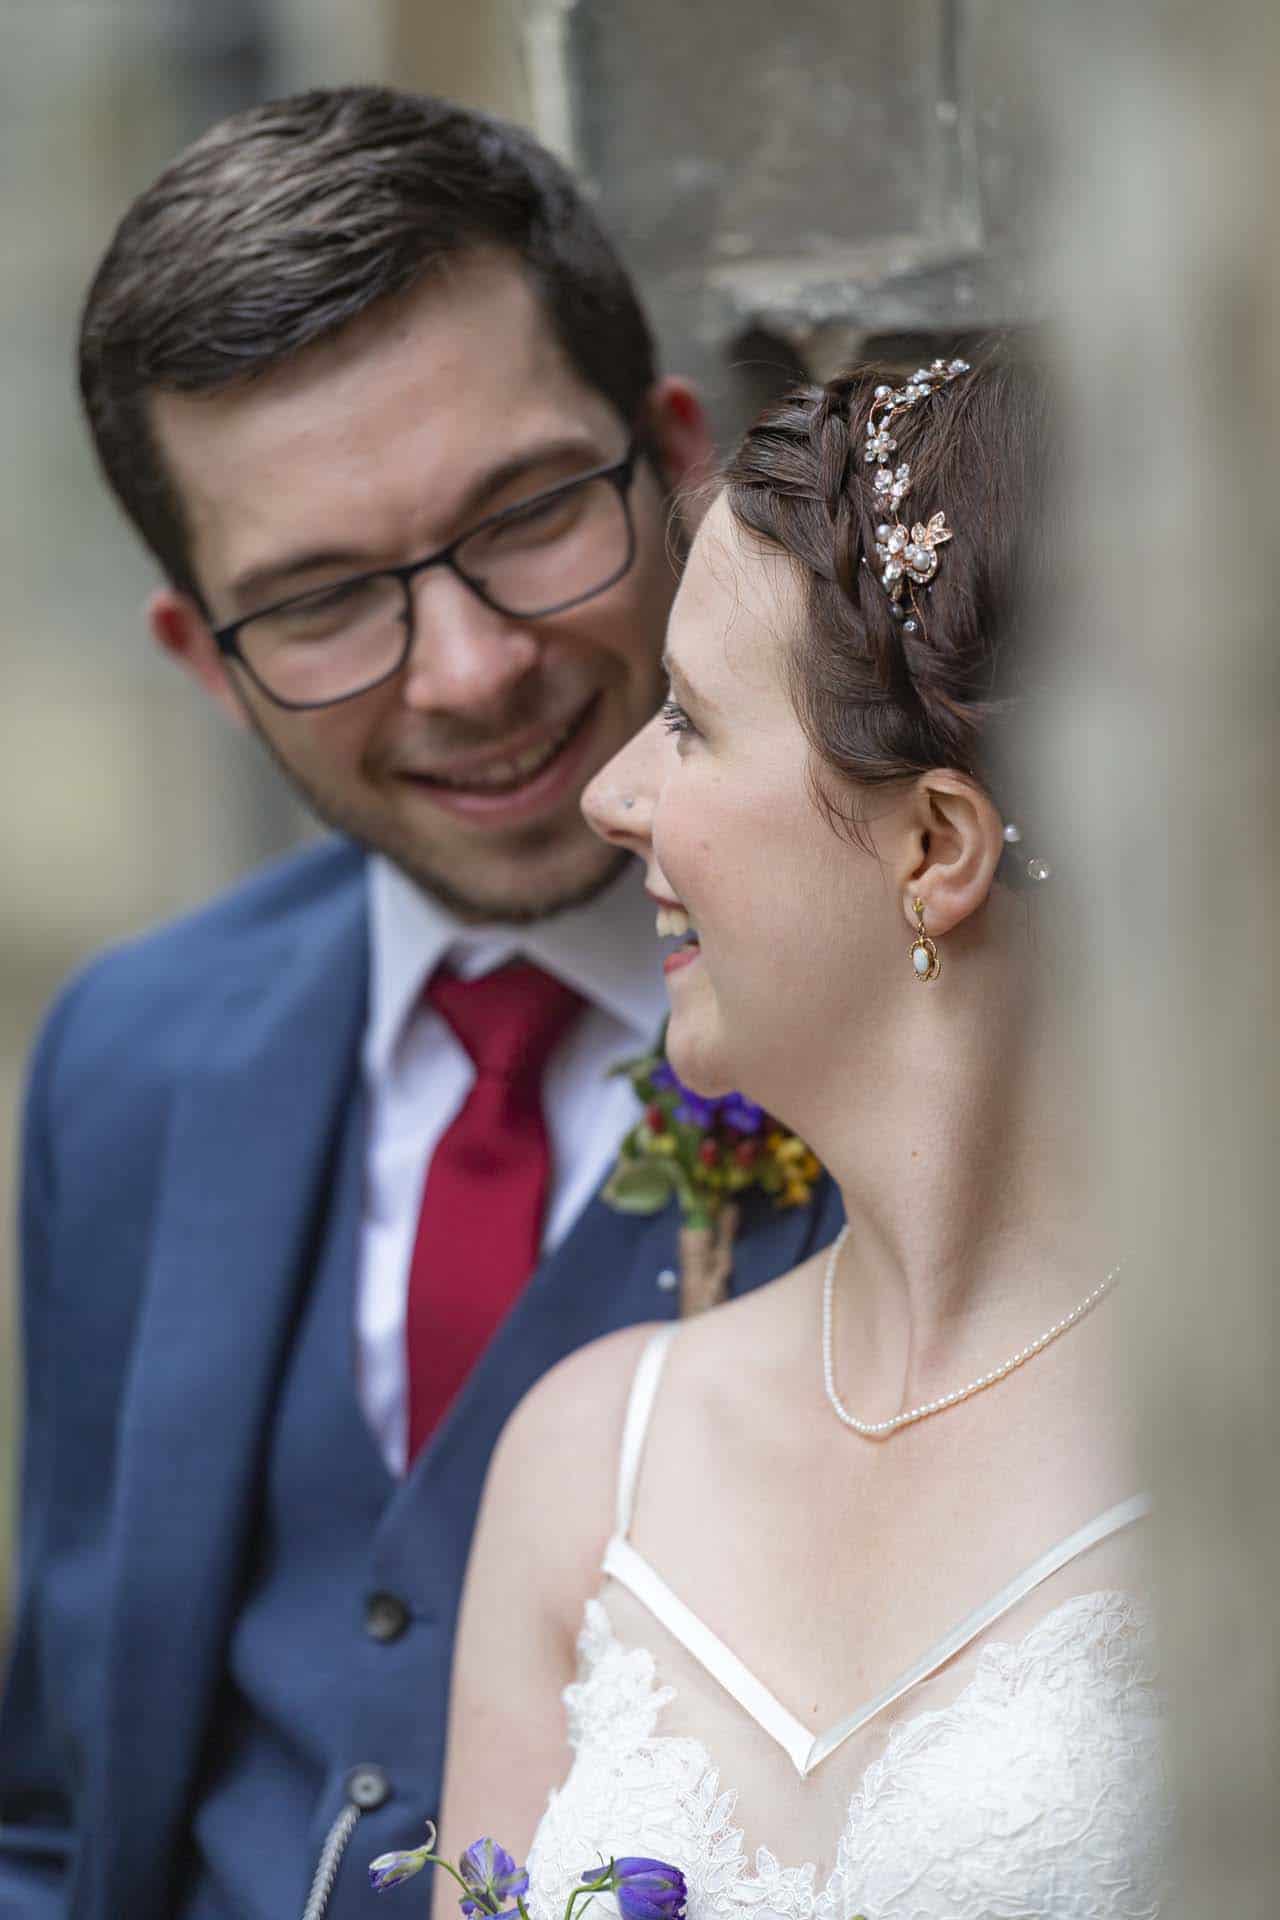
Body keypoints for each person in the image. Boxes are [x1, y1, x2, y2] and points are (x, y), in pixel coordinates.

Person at [0, 87, 842, 1920]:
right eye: (315, 604)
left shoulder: (927, 1024)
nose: (468, 672)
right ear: (204, 667)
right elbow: (58, 1814)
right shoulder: (127, 1058)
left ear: (675, 457)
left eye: (529, 514)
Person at [439, 351, 1170, 1917]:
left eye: (690, 723)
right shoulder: (588, 1461)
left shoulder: (1219, 1436)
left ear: (935, 846)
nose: (615, 799)